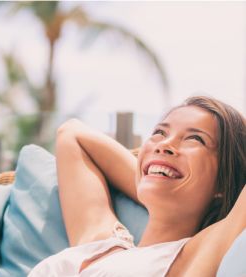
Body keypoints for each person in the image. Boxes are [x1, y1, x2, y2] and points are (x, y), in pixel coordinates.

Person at [29, 95, 245, 276]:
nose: (164, 144)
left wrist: (165, 177)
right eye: (160, 132)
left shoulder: (195, 256)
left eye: (195, 139)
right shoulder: (102, 242)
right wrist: (155, 176)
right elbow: (71, 133)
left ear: (223, 182)